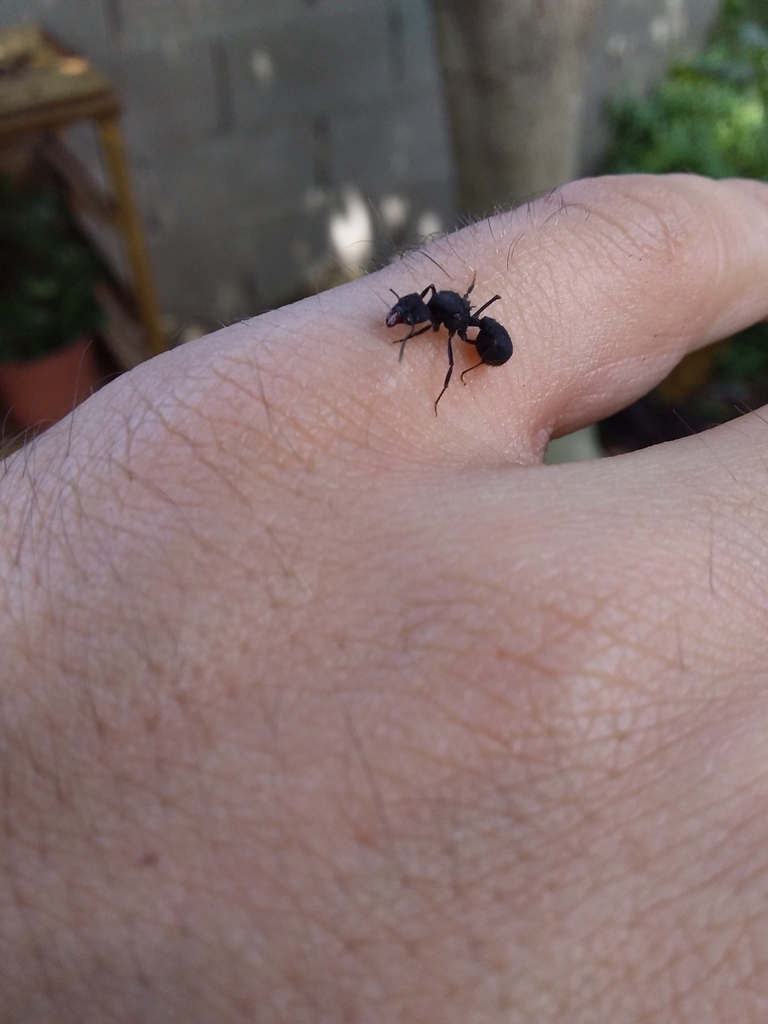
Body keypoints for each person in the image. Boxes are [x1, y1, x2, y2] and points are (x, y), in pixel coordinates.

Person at [2, 173, 768, 1022]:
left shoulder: (457, 330)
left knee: (467, 348)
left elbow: (456, 319)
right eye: (413, 315)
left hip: (485, 335)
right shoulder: (442, 310)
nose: (407, 319)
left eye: (412, 315)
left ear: (432, 318)